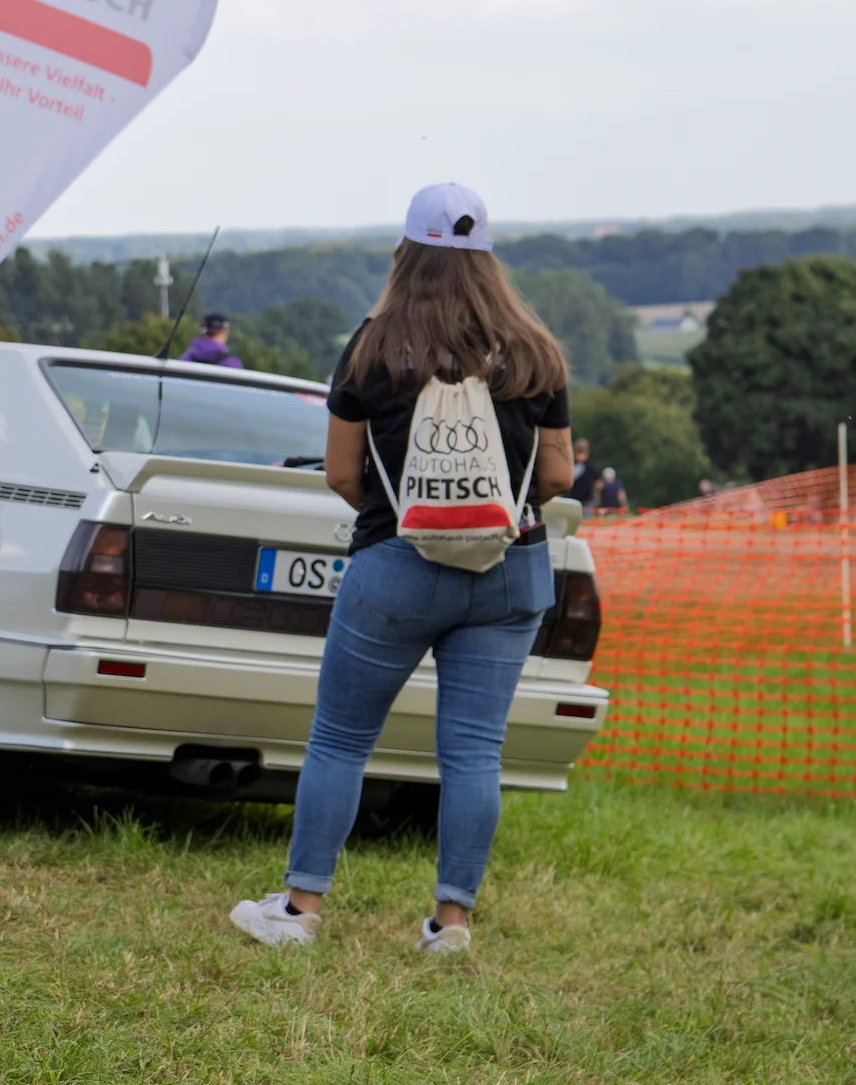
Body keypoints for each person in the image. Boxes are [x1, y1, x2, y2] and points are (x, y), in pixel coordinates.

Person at [230, 182, 573, 954]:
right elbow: (556, 474)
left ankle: (299, 910)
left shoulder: (373, 346)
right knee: (474, 751)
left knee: (341, 739)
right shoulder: (534, 349)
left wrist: (407, 516)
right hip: (510, 569)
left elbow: (340, 471)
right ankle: (451, 925)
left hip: (395, 565)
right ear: (487, 256)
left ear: (405, 252)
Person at [567, 437, 597, 503]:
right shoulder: (591, 465)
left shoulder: (571, 464)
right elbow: (597, 484)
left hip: (572, 499)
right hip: (588, 499)